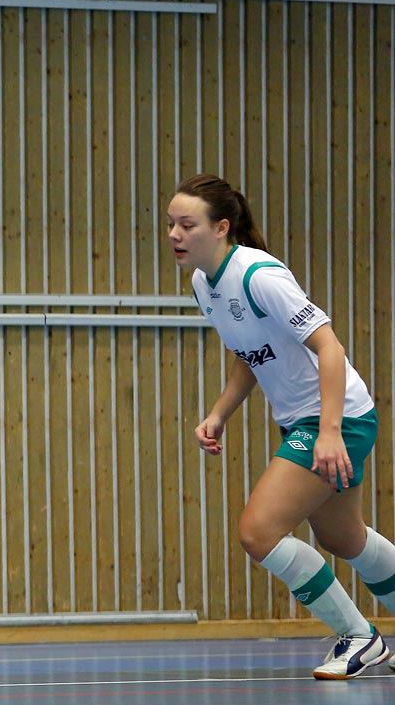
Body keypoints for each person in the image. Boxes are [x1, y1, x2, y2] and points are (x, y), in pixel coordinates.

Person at [169, 174, 395, 679]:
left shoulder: (258, 275)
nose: (175, 235)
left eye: (187, 224)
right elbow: (250, 355)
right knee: (344, 538)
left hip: (335, 417)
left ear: (222, 227)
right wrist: (219, 413)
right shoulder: (204, 284)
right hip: (307, 419)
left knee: (258, 531)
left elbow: (329, 347)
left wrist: (331, 432)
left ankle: (360, 637)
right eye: (171, 225)